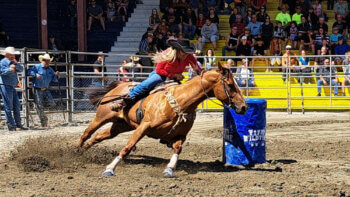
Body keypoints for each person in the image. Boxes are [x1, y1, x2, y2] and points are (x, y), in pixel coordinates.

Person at [109, 39, 202, 111]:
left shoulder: (188, 56)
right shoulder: (167, 54)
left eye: (187, 52)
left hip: (174, 78)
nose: (186, 54)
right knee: (148, 83)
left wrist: (202, 73)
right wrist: (174, 75)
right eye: (184, 52)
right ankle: (126, 98)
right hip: (161, 75)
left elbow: (197, 67)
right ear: (178, 49)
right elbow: (159, 70)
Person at [28, 54, 60, 127]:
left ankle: (42, 113)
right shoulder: (37, 67)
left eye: (48, 60)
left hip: (46, 88)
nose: (48, 62)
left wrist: (57, 75)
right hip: (38, 89)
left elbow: (54, 80)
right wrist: (35, 75)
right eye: (46, 60)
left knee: (51, 103)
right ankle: (43, 120)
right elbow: (29, 71)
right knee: (39, 105)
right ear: (43, 60)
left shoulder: (50, 69)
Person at [0, 47, 26, 131]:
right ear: (7, 55)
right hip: (5, 85)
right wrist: (10, 70)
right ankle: (11, 125)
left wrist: (16, 64)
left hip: (11, 86)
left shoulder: (13, 62)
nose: (13, 56)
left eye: (13, 54)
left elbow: (21, 69)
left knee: (16, 105)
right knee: (8, 106)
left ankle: (18, 124)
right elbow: (1, 72)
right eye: (11, 54)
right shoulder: (2, 62)